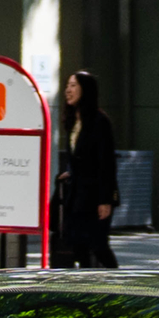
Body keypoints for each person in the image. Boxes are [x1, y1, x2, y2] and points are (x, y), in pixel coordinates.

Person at [53, 71, 119, 269]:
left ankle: (119, 282)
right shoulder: (73, 120)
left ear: (85, 90)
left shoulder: (100, 121)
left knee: (98, 245)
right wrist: (70, 172)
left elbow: (106, 162)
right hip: (77, 194)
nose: (68, 91)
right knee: (78, 244)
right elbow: (79, 156)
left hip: (96, 196)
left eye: (73, 86)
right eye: (67, 86)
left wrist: (105, 200)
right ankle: (89, 286)